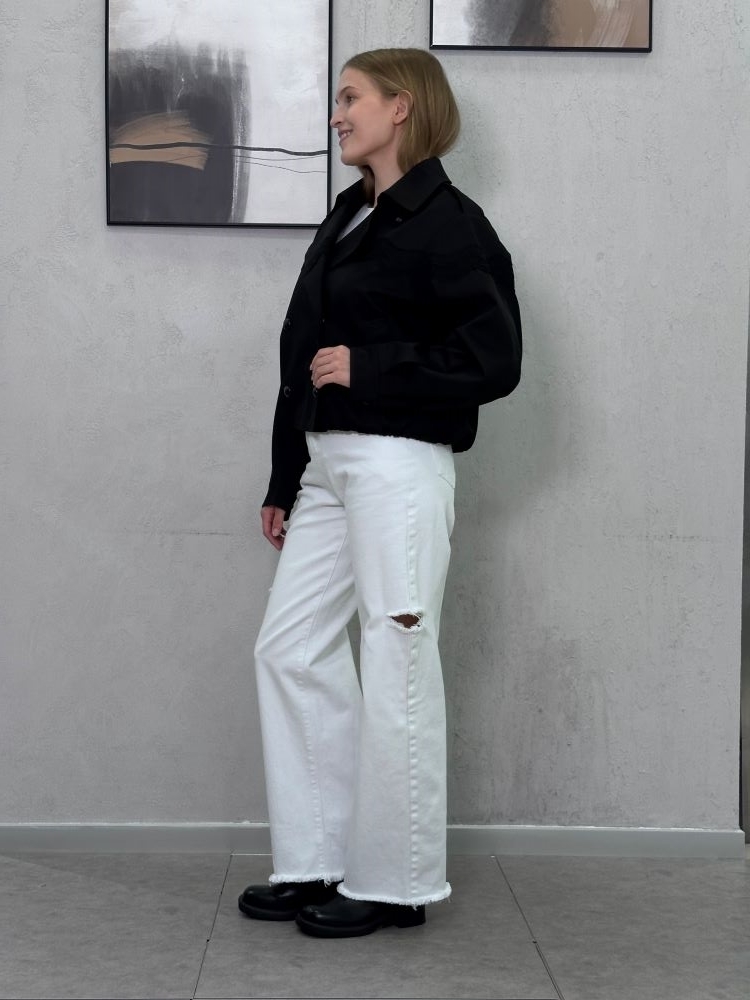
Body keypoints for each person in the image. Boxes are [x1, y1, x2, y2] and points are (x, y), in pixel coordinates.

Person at [238, 47, 522, 939]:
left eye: (350, 97)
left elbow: (496, 360)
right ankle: (321, 857)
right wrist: (284, 476)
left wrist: (375, 366)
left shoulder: (452, 224)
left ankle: (396, 883)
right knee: (290, 650)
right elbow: (300, 354)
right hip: (328, 465)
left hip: (398, 465)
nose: (337, 114)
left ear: (403, 107)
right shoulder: (350, 214)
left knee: (396, 656)